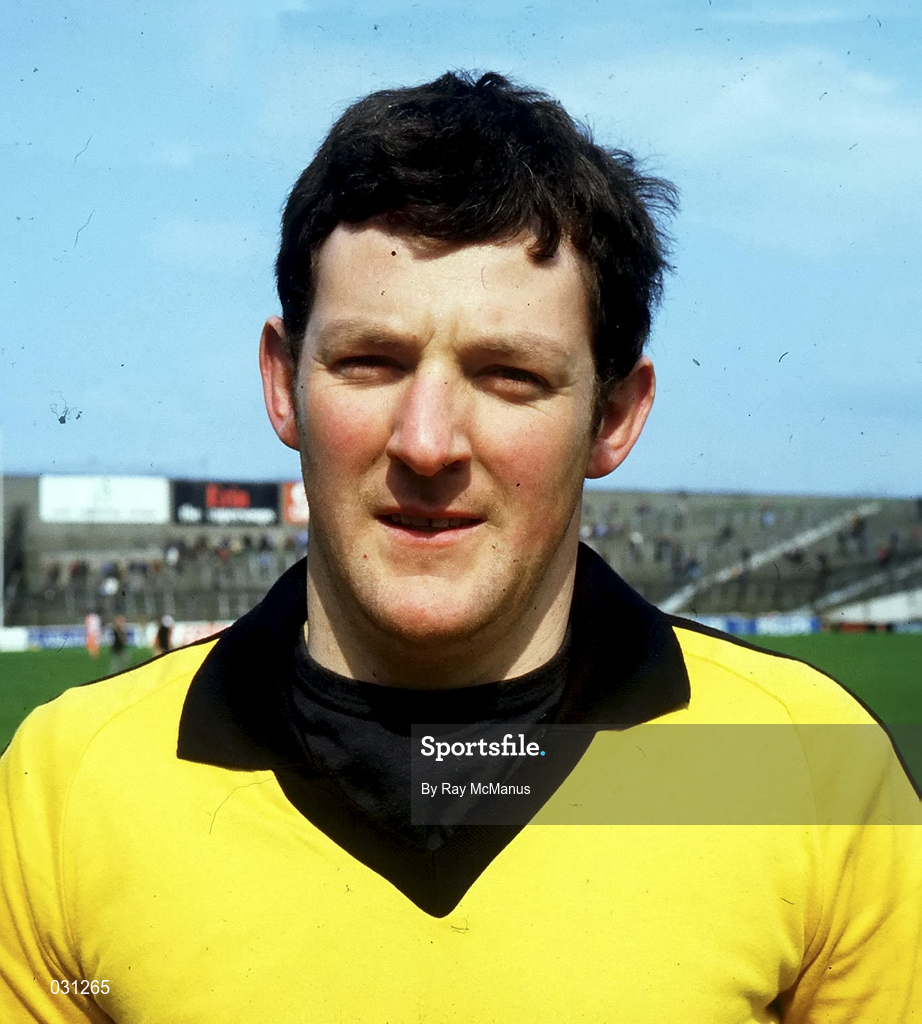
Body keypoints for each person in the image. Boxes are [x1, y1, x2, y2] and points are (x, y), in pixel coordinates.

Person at [1, 71, 919, 1023]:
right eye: (370, 362)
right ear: (282, 384)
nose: (428, 442)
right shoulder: (63, 793)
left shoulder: (811, 772)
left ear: (613, 415)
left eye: (509, 374)